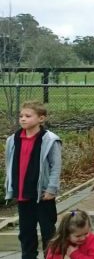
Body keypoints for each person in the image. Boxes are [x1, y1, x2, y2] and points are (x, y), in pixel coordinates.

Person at [5, 101, 61, 259]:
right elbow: (10, 164)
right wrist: (11, 187)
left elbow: (56, 166)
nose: (23, 119)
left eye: (28, 116)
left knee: (48, 231)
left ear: (41, 118)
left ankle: (51, 256)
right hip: (23, 194)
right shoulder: (13, 140)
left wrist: (51, 188)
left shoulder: (50, 140)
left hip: (43, 194)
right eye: (21, 116)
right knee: (26, 232)